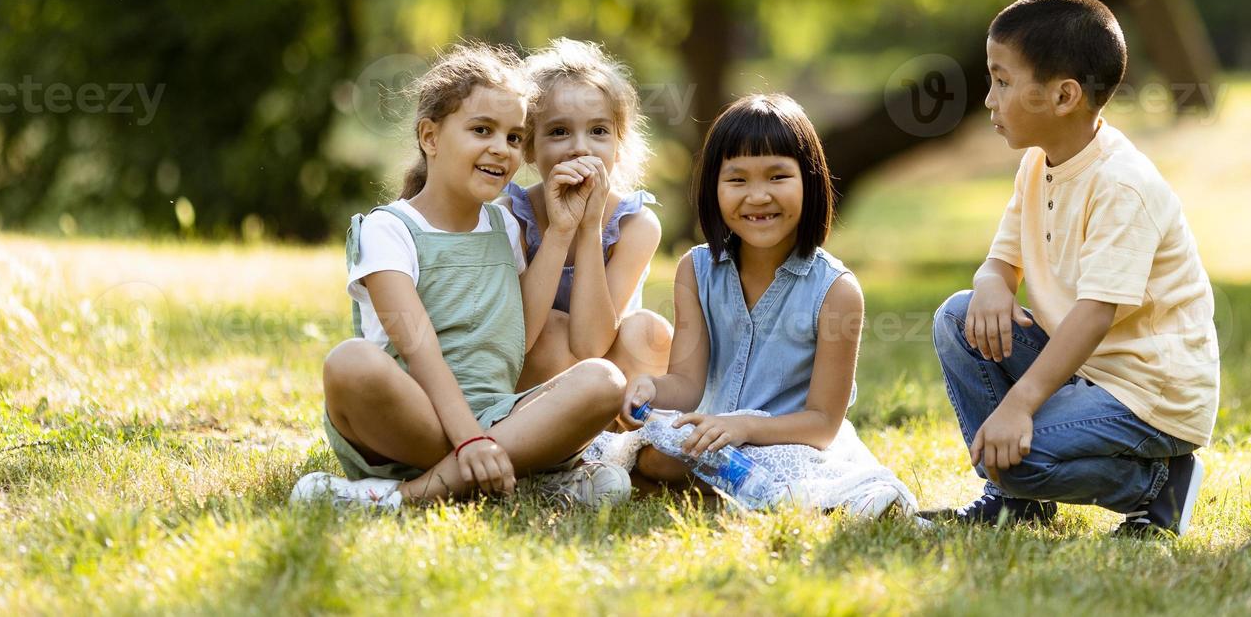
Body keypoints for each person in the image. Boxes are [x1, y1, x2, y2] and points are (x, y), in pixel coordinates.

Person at [921, 0, 1219, 537]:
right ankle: (1017, 503)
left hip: (1148, 392)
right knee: (956, 317)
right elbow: (1001, 261)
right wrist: (990, 282)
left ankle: (1161, 487)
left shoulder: (1121, 184)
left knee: (1008, 455)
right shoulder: (1040, 163)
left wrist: (1020, 405)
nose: (988, 99)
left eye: (1003, 81)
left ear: (1063, 97)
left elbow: (1095, 314)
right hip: (1085, 373)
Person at [290, 42, 630, 511]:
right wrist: (470, 441)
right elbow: (419, 349)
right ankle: (521, 474)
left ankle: (410, 496)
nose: (501, 149)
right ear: (430, 137)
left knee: (605, 381)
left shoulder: (504, 227)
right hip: (411, 420)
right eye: (482, 130)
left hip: (495, 417)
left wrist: (562, 231)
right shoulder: (388, 230)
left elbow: (520, 338)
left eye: (514, 137)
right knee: (350, 363)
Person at [622, 94, 865, 485]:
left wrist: (746, 428)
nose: (758, 196)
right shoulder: (696, 270)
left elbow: (822, 425)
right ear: (713, 189)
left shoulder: (836, 291)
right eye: (737, 179)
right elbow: (686, 384)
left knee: (794, 480)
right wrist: (652, 386)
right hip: (712, 437)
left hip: (790, 442)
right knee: (653, 459)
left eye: (778, 176)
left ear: (810, 180)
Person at [504, 38, 672, 391]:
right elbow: (516, 340)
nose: (580, 147)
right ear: (530, 146)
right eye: (559, 132)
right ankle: (556, 430)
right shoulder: (511, 217)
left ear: (618, 145)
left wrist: (590, 227)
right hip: (537, 368)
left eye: (598, 131)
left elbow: (591, 346)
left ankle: (618, 430)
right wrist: (559, 231)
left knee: (648, 331)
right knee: (551, 328)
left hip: (608, 367)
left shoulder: (636, 225)